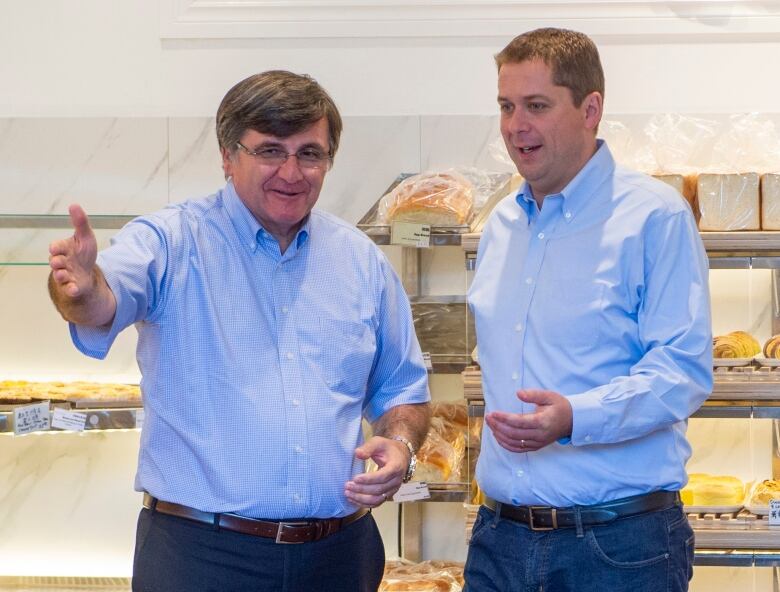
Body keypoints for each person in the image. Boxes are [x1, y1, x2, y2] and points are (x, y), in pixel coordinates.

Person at [47, 70, 431, 592]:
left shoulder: (360, 260)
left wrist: (400, 447)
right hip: (201, 556)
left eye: (310, 153)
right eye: (270, 151)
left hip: (340, 556)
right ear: (228, 157)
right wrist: (80, 288)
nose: (292, 172)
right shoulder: (171, 240)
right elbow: (103, 300)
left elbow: (402, 391)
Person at [465, 28, 711, 591]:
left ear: (591, 108)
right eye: (505, 106)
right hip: (499, 538)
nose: (514, 126)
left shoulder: (654, 217)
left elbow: (682, 371)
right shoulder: (500, 226)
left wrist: (574, 416)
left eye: (536, 106)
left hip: (618, 545)